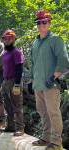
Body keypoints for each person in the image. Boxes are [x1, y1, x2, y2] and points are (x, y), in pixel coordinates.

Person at [31, 10, 69, 150]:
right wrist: (32, 81)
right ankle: (45, 138)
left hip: (51, 84)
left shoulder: (56, 40)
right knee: (42, 112)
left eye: (44, 22)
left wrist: (54, 76)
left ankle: (56, 143)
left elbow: (64, 61)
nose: (41, 25)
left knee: (53, 113)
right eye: (39, 22)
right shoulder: (35, 42)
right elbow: (34, 63)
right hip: (38, 84)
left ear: (49, 23)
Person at [0, 29, 25, 136]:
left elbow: (19, 68)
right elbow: (4, 68)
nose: (7, 40)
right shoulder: (5, 52)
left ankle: (20, 128)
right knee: (7, 105)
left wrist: (17, 84)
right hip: (5, 81)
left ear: (14, 39)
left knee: (17, 105)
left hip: (14, 80)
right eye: (5, 38)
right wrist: (3, 83)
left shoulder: (16, 52)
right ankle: (10, 126)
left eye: (10, 38)